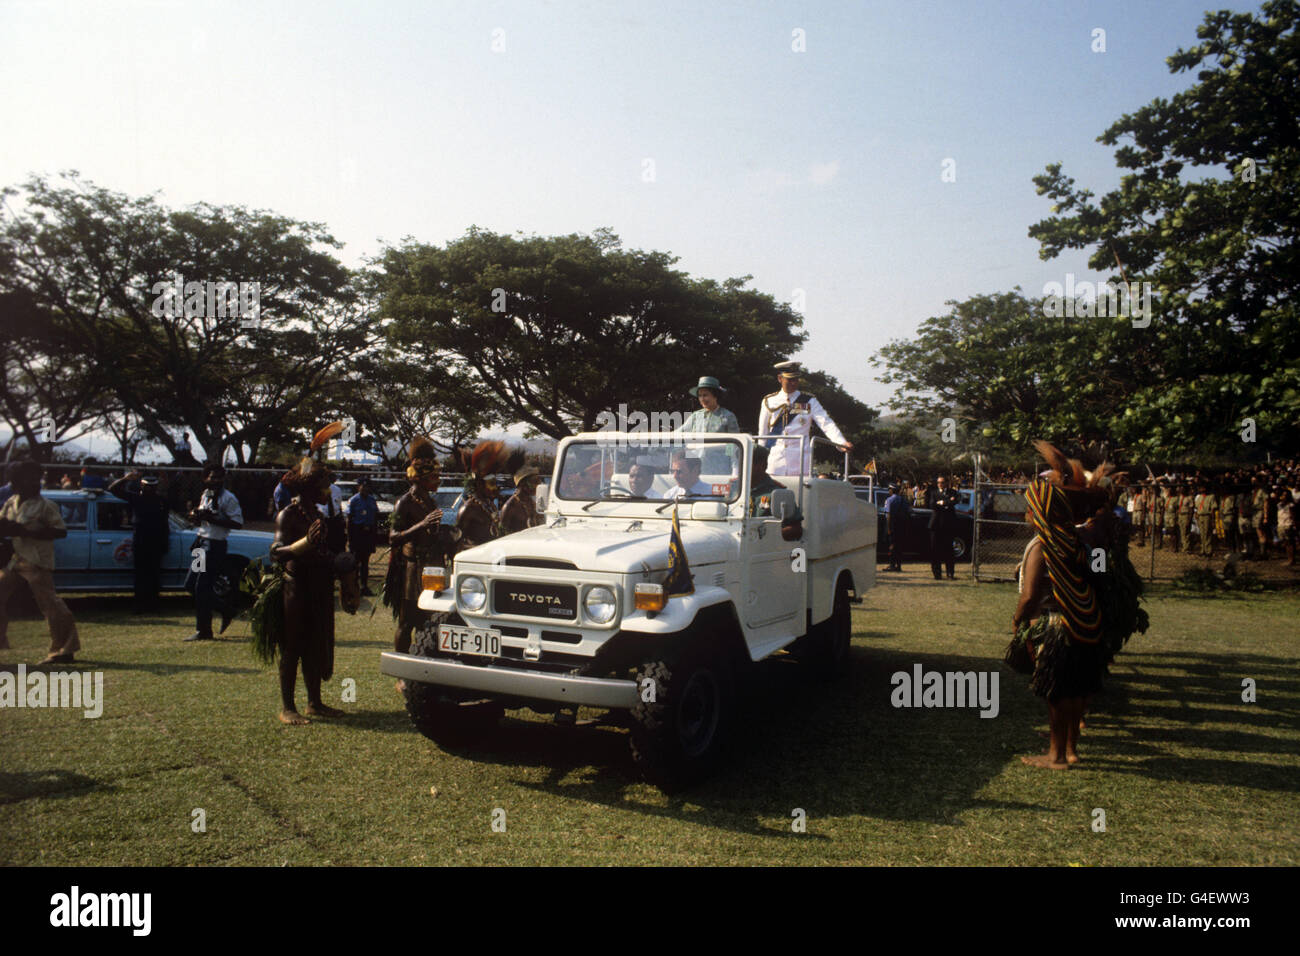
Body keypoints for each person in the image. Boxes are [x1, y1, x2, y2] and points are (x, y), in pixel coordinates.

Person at [269, 453, 350, 725]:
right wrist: (303, 543)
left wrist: (339, 563)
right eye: (324, 484)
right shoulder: (289, 515)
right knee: (293, 646)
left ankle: (314, 702)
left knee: (316, 646)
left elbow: (323, 552)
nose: (329, 490)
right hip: (296, 588)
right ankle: (287, 707)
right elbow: (277, 552)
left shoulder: (318, 514)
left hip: (319, 586)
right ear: (309, 488)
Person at [0, 461, 80, 662]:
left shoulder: (46, 506)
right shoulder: (11, 502)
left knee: (50, 605)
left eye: (34, 478)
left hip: (37, 561)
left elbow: (60, 531)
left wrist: (29, 530)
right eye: (27, 478)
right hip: (16, 560)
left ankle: (64, 650)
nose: (34, 482)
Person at [386, 437, 454, 655]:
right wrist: (421, 525)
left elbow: (431, 534)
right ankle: (402, 671)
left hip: (432, 567)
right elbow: (393, 537)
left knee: (430, 620)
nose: (438, 480)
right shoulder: (404, 502)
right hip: (412, 569)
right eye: (434, 476)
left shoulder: (429, 502)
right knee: (407, 623)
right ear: (422, 478)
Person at [757, 361, 852, 477]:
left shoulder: (809, 400)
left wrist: (841, 442)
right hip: (775, 463)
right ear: (780, 378)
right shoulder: (769, 401)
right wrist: (759, 459)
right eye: (790, 380)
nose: (794, 383)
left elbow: (826, 423)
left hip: (800, 463)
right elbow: (762, 433)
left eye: (796, 379)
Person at [184, 463, 243, 642]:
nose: (216, 480)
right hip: (201, 543)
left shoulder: (228, 498)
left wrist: (213, 519)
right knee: (191, 584)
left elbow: (238, 523)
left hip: (214, 545)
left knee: (202, 587)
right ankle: (226, 609)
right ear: (205, 478)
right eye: (212, 477)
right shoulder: (207, 495)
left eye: (219, 477)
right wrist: (196, 515)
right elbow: (203, 518)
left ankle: (203, 630)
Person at [106, 471, 171, 612]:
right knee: (141, 575)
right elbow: (113, 489)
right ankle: (140, 604)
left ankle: (153, 604)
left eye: (152, 487)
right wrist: (125, 478)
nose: (150, 489)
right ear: (141, 486)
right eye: (147, 486)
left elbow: (165, 524)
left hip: (156, 541)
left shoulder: (162, 501)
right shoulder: (136, 498)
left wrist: (165, 543)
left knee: (154, 575)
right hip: (141, 540)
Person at [346, 477, 379, 596]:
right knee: (355, 562)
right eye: (363, 486)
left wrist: (374, 535)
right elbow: (349, 520)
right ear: (358, 487)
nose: (365, 488)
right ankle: (353, 587)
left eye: (367, 486)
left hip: (368, 533)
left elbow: (375, 517)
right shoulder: (353, 500)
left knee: (365, 562)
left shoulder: (372, 500)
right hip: (357, 533)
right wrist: (350, 538)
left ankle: (364, 587)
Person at [926, 475, 957, 580]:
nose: (940, 484)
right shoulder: (933, 492)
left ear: (946, 483)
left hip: (948, 525)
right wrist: (947, 502)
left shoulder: (952, 492)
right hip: (935, 525)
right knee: (935, 550)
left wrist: (943, 502)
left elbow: (954, 501)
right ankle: (937, 573)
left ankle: (950, 573)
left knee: (949, 550)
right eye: (939, 482)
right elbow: (932, 505)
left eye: (942, 482)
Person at [499, 465, 544, 534]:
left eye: (539, 481)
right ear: (523, 484)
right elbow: (501, 534)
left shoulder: (531, 502)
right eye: (535, 481)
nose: (539, 484)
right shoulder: (510, 507)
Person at [883, 483, 909, 572]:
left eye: (889, 489)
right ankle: (899, 565)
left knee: (892, 545)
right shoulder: (904, 500)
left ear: (892, 490)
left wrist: (888, 528)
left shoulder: (889, 500)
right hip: (901, 525)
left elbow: (888, 515)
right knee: (899, 546)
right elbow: (907, 513)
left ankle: (892, 565)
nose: (888, 491)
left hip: (892, 525)